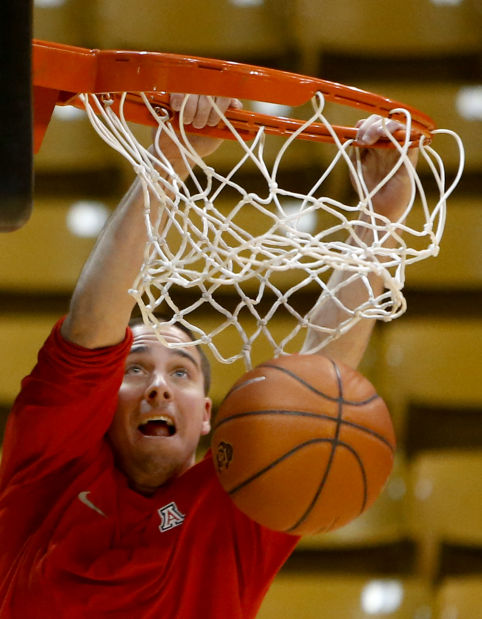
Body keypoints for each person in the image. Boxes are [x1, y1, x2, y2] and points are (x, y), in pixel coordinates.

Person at [0, 94, 417, 618]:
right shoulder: (49, 471)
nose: (159, 385)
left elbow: (323, 386)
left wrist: (379, 220)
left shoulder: (243, 499)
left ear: (206, 418)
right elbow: (91, 327)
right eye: (136, 368)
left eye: (181, 371)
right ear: (100, 402)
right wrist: (170, 159)